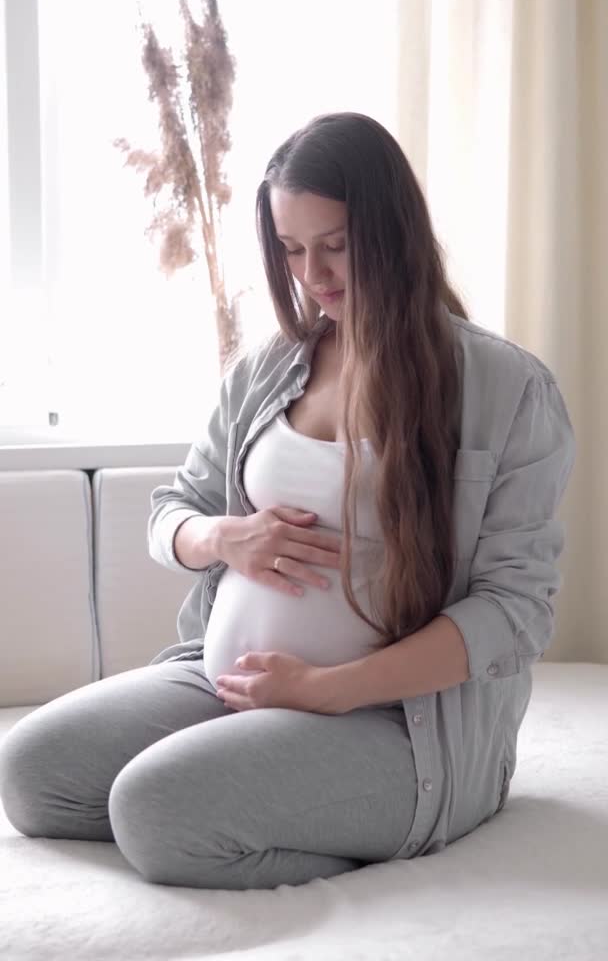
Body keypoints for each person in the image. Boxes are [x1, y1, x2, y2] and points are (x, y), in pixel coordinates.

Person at [0, 112, 576, 890]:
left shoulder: (505, 389)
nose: (314, 274)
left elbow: (515, 612)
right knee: (32, 774)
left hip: (397, 724)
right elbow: (174, 509)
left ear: (393, 229)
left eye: (335, 245)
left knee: (155, 810)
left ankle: (386, 820)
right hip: (228, 682)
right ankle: (263, 790)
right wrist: (223, 540)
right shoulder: (273, 366)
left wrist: (321, 691)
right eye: (292, 248)